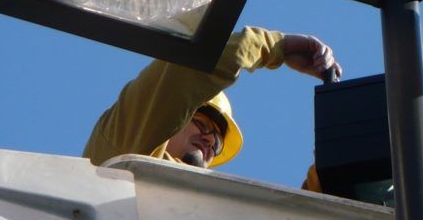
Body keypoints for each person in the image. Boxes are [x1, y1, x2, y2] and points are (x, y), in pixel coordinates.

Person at [83, 26, 342, 170]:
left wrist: (332, 168)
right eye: (203, 124)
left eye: (218, 141)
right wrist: (277, 46)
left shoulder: (201, 218)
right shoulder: (124, 150)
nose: (210, 139)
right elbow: (186, 77)